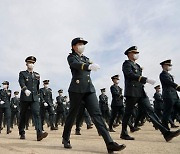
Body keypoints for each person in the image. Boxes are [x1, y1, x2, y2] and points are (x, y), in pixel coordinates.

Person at [62, 37, 126, 153]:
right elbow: (75, 65)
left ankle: (109, 143)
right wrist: (88, 66)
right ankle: (65, 138)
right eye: (80, 44)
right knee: (72, 115)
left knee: (97, 115)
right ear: (73, 47)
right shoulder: (71, 57)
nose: (82, 46)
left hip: (89, 89)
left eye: (83, 44)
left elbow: (89, 64)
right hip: (76, 90)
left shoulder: (86, 58)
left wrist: (91, 64)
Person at [120, 46, 180, 142]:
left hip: (141, 91)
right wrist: (145, 79)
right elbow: (130, 75)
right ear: (129, 54)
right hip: (132, 91)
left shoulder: (138, 66)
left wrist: (144, 80)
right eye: (134, 52)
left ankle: (166, 133)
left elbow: (138, 77)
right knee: (128, 113)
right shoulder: (126, 64)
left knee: (150, 111)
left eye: (136, 52)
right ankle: (123, 133)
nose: (136, 54)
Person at [18, 56, 48, 141]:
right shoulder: (22, 73)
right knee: (23, 115)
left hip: (34, 98)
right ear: (26, 64)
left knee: (37, 114)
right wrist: (25, 89)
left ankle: (39, 134)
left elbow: (37, 87)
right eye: (30, 63)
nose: (31, 64)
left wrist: (38, 96)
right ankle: (22, 132)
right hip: (25, 97)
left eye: (33, 63)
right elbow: (21, 82)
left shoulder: (37, 75)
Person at [159, 60, 180, 130]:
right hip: (168, 95)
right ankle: (165, 128)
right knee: (167, 112)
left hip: (174, 96)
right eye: (168, 65)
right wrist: (177, 86)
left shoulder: (169, 75)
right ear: (164, 66)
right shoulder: (163, 74)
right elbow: (169, 83)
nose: (169, 67)